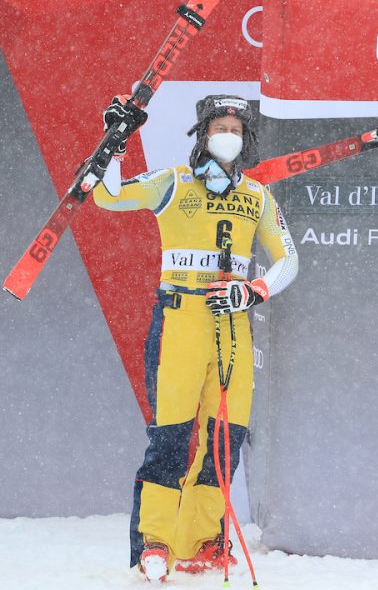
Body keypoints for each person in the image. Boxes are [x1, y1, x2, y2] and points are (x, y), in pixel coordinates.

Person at [94, 95, 299, 582]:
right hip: (181, 320)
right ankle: (156, 542)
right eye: (218, 126)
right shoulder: (172, 182)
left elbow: (288, 258)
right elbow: (108, 195)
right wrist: (115, 146)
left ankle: (202, 538)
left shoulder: (258, 195)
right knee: (171, 435)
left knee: (228, 437)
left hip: (232, 325)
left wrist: (254, 290)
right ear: (203, 134)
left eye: (235, 127)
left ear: (244, 139)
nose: (226, 133)